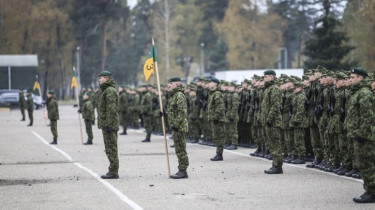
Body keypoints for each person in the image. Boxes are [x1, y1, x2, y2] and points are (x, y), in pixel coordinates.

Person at [346, 68, 375, 203]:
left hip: (365, 137)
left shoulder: (363, 93)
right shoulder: (356, 93)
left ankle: (372, 192)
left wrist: (362, 134)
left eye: (353, 77)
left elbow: (368, 116)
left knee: (366, 165)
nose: (350, 79)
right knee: (363, 164)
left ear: (360, 78)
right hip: (358, 135)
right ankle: (370, 190)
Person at [97, 71, 120, 179]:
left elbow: (112, 109)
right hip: (107, 124)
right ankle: (112, 169)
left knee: (111, 148)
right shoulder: (106, 90)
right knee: (109, 148)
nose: (99, 80)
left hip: (109, 125)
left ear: (106, 78)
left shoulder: (109, 91)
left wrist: (109, 124)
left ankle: (113, 171)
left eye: (101, 78)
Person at [166, 77, 189, 179]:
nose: (168, 85)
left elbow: (182, 112)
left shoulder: (179, 95)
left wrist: (176, 124)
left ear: (176, 84)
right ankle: (181, 169)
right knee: (178, 149)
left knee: (181, 149)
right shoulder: (173, 95)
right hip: (175, 126)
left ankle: (183, 170)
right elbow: (172, 111)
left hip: (179, 127)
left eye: (170, 83)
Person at [262, 70, 283, 174]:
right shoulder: (268, 89)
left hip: (273, 121)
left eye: (266, 77)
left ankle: (278, 166)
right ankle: (275, 164)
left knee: (275, 143)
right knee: (272, 143)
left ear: (272, 77)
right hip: (269, 120)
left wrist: (269, 119)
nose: (264, 78)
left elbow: (275, 105)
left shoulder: (274, 88)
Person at [208, 77, 226, 161]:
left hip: (217, 119)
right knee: (216, 136)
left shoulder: (217, 93)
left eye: (211, 82)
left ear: (215, 84)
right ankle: (218, 153)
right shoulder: (213, 93)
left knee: (219, 136)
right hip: (214, 118)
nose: (209, 83)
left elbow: (220, 107)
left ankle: (219, 154)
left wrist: (216, 117)